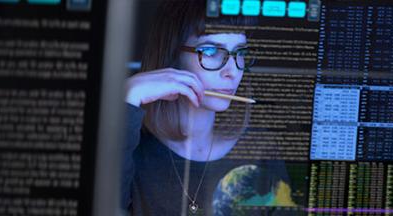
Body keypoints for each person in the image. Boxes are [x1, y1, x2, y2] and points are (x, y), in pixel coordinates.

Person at [121, 0, 293, 215]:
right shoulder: (131, 147)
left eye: (240, 53)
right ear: (172, 56)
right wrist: (128, 97)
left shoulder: (260, 148)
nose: (232, 71)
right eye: (211, 51)